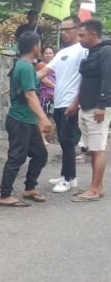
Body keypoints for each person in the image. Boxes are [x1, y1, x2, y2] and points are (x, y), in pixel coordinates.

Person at [0, 31, 53, 207]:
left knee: (40, 154)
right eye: (40, 44)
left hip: (26, 121)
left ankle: (30, 188)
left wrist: (51, 68)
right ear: (35, 47)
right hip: (20, 120)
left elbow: (32, 80)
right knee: (16, 157)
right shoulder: (25, 66)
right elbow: (30, 95)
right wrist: (44, 118)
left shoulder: (24, 66)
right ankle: (5, 195)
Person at [37, 16, 87, 193]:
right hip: (58, 102)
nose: (64, 33)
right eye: (62, 30)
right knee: (64, 140)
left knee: (67, 140)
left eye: (68, 29)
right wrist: (25, 81)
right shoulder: (62, 52)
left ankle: (68, 179)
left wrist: (76, 102)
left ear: (79, 28)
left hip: (71, 103)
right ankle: (68, 175)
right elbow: (44, 71)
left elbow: (86, 78)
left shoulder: (83, 50)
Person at [70, 19, 111, 202]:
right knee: (92, 148)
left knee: (97, 148)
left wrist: (101, 105)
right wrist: (75, 103)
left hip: (98, 108)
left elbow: (107, 79)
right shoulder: (91, 53)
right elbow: (85, 81)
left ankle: (94, 189)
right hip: (85, 106)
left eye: (82, 35)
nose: (79, 38)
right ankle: (98, 187)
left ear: (93, 34)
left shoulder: (106, 52)